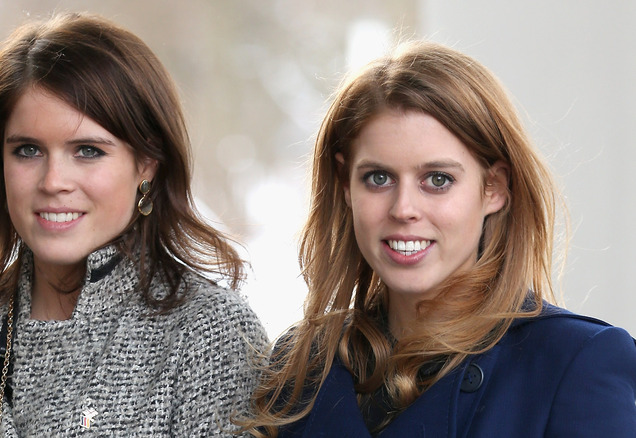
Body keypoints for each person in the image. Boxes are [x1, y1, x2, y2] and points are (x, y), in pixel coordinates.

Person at [0, 12, 268, 437]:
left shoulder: (210, 337)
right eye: (27, 150)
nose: (54, 182)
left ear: (146, 164)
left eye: (88, 151)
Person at [244, 40, 636, 437]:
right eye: (378, 178)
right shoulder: (302, 364)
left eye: (438, 180)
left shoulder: (575, 362)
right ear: (346, 185)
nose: (403, 209)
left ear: (494, 188)